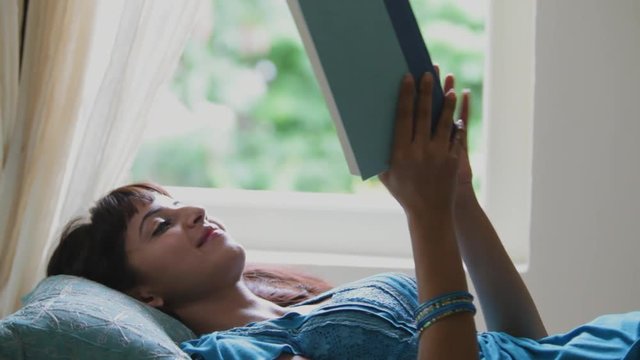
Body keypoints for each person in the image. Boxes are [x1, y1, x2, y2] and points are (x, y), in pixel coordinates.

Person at [46, 70, 640, 360]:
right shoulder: (230, 355)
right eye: (161, 225)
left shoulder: (308, 306)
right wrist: (426, 215)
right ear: (144, 295)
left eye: (180, 205)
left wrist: (459, 201)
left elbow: (526, 346)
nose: (193, 211)